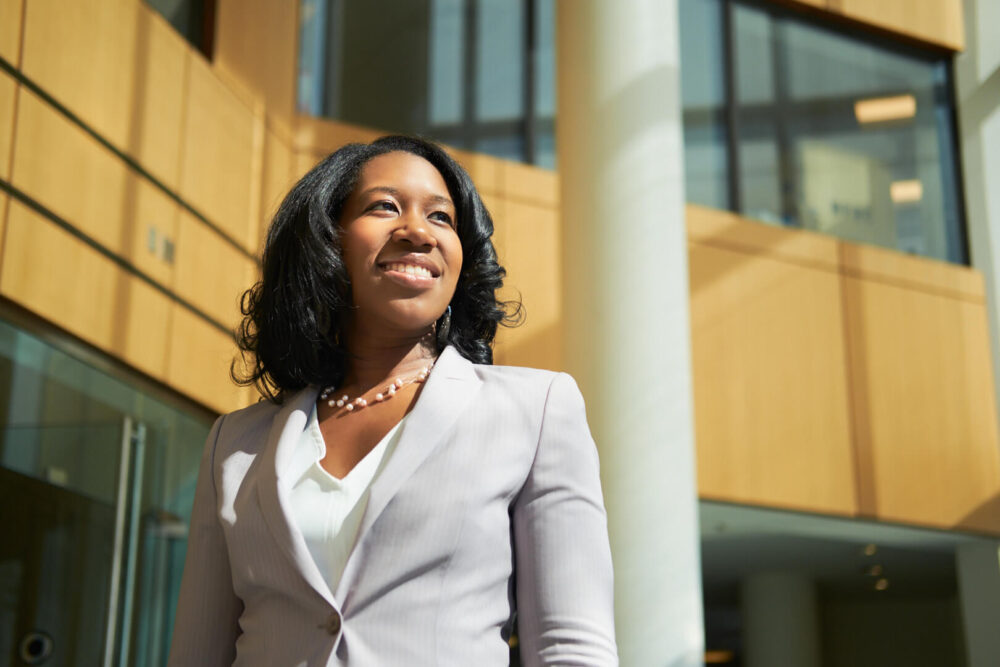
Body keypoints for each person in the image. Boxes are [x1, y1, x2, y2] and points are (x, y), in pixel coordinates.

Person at [167, 135, 617, 666]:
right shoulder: (234, 443)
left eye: (441, 217)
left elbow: (572, 647)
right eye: (385, 206)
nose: (418, 231)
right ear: (325, 240)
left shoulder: (537, 410)